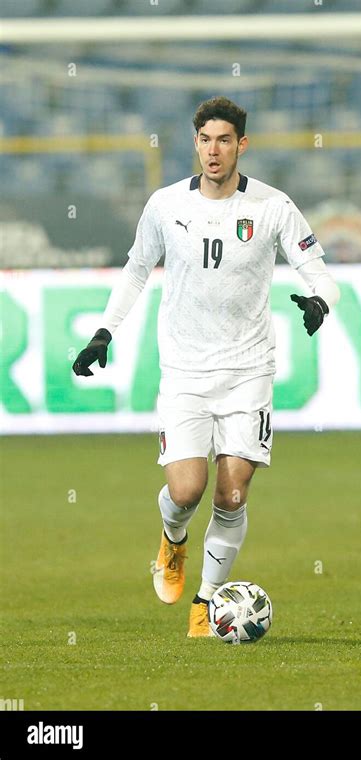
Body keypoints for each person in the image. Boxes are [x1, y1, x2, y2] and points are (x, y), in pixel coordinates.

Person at [72, 96, 340, 638]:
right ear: (194, 143)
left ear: (242, 144)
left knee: (232, 493)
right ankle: (171, 542)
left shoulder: (273, 206)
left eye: (224, 140)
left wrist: (320, 303)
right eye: (204, 139)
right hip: (186, 373)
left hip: (249, 369)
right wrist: (104, 331)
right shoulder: (166, 205)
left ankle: (207, 603)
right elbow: (135, 271)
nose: (213, 150)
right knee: (188, 491)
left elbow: (321, 274)